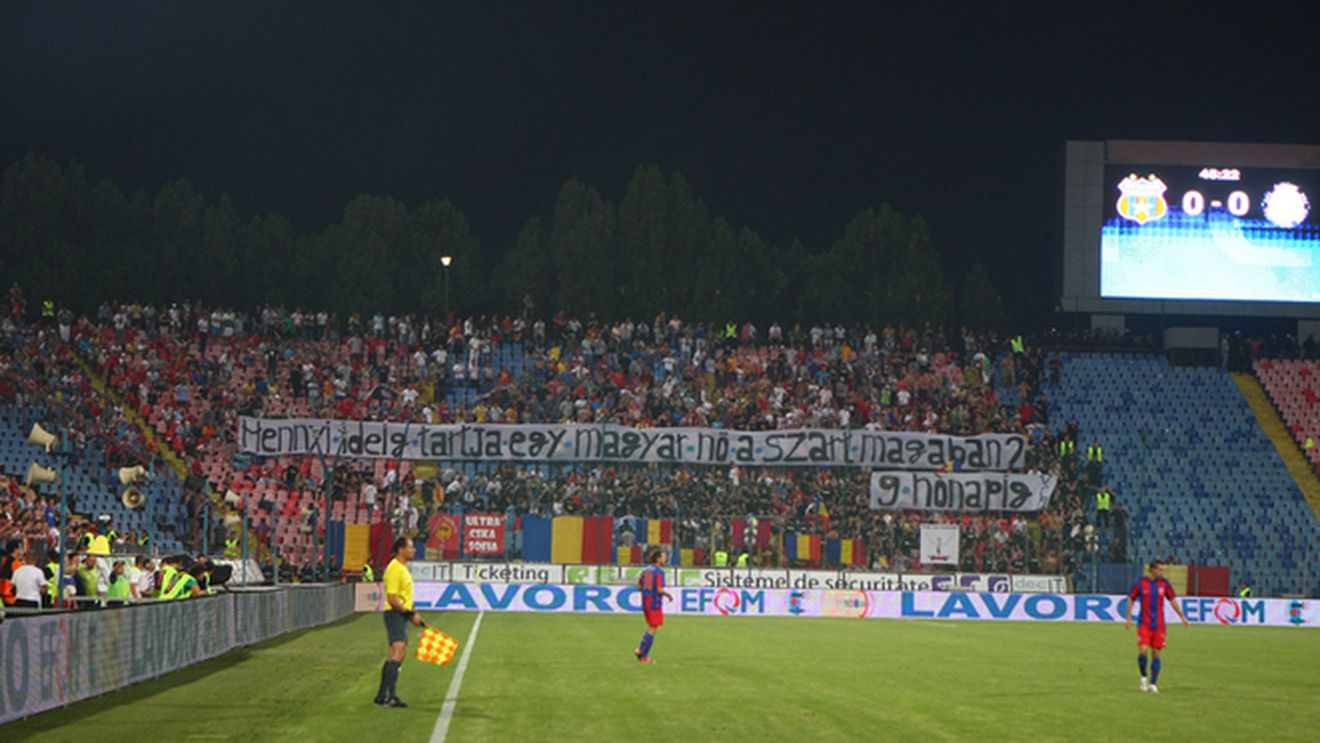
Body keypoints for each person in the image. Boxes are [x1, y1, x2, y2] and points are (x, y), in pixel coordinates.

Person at [1125, 560, 1190, 693]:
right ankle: (1143, 677)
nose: (1162, 572)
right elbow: (1131, 598)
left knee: (1156, 653)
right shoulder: (1140, 583)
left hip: (1159, 624)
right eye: (1160, 569)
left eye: (1163, 569)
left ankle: (1153, 684)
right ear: (1152, 570)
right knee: (1143, 650)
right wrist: (1129, 617)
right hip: (1144, 623)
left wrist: (1182, 616)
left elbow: (1172, 600)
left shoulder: (1164, 584)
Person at [375, 536, 424, 707]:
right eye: (410, 547)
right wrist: (409, 614)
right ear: (401, 549)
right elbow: (393, 598)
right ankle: (391, 696)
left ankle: (382, 695)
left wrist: (413, 611)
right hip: (395, 614)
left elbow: (404, 596)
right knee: (398, 651)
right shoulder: (395, 569)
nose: (414, 550)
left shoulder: (401, 568)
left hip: (398, 614)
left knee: (393, 654)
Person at [634, 548, 673, 664]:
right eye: (663, 556)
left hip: (645, 602)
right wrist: (668, 595)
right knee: (653, 628)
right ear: (658, 559)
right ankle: (642, 654)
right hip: (654, 603)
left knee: (651, 626)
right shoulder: (659, 572)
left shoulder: (646, 570)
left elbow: (639, 585)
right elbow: (659, 589)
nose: (665, 559)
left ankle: (640, 650)